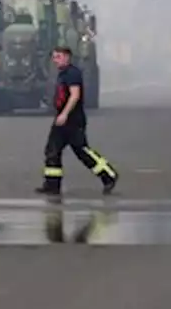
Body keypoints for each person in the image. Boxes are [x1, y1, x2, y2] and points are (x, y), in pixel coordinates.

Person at [35, 46, 119, 197]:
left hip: (73, 120)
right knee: (52, 150)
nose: (55, 60)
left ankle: (108, 175)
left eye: (58, 57)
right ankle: (52, 185)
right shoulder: (62, 74)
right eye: (54, 57)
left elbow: (75, 95)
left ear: (67, 57)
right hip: (61, 119)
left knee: (82, 151)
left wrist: (65, 114)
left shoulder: (73, 73)